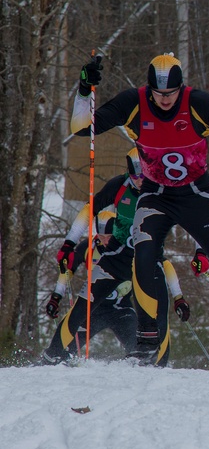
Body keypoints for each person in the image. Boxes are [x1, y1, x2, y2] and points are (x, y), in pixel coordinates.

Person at [70, 53, 209, 370]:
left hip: (196, 194)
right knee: (143, 254)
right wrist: (84, 88)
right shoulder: (133, 103)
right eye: (158, 93)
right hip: (156, 195)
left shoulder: (197, 103)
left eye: (170, 93)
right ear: (149, 89)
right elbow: (81, 129)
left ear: (180, 87)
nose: (163, 99)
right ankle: (146, 342)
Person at [40, 150, 191, 363]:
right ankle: (53, 354)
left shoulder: (165, 190)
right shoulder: (119, 186)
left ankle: (157, 365)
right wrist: (69, 244)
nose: (140, 181)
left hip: (148, 261)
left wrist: (201, 254)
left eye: (144, 176)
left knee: (158, 314)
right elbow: (88, 210)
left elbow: (192, 218)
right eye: (135, 176)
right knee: (81, 308)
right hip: (117, 258)